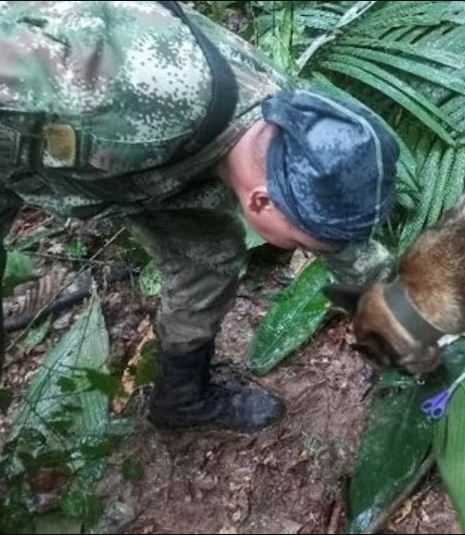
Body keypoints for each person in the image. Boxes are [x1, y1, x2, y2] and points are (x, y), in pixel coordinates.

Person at [0, 1, 398, 432]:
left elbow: (339, 238)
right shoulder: (104, 93)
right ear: (261, 202)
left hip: (154, 168)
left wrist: (405, 321)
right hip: (29, 128)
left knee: (207, 260)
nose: (308, 250)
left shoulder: (289, 126)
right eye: (301, 244)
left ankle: (181, 398)